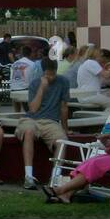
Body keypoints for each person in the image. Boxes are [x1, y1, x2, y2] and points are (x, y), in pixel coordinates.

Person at [15, 58, 71, 189]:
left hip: (50, 121)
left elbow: (64, 107)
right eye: (47, 74)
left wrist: (65, 129)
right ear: (42, 72)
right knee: (28, 132)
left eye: (53, 74)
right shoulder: (35, 83)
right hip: (31, 119)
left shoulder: (63, 82)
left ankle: (55, 177)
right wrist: (42, 88)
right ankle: (28, 177)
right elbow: (33, 109)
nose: (50, 77)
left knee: (62, 141)